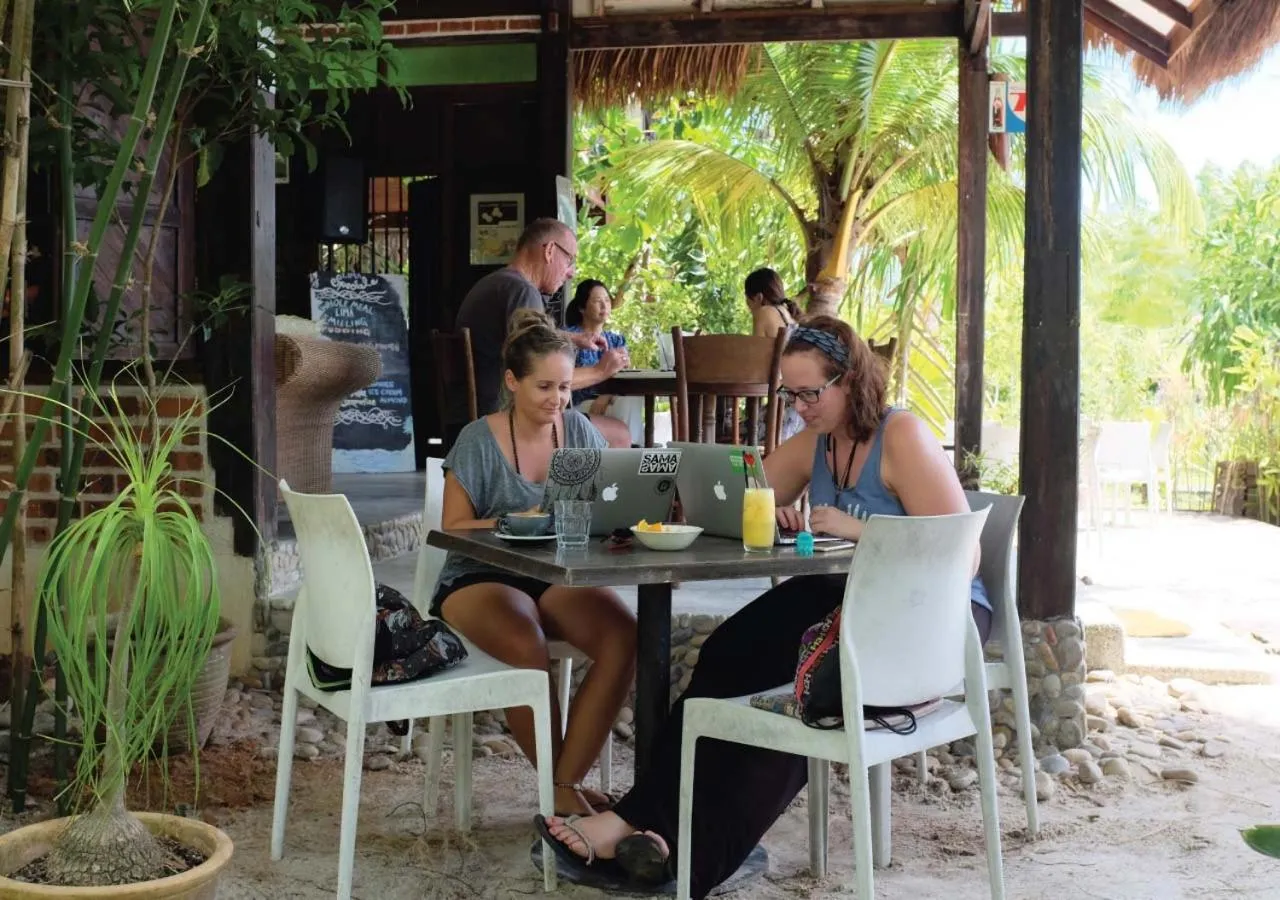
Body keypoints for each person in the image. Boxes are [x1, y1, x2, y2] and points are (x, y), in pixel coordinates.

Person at [536, 316, 992, 897]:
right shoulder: (821, 441)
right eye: (790, 393)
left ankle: (683, 858)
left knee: (790, 721)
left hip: (927, 617)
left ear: (850, 381)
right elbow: (746, 492)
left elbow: (965, 556)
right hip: (847, 600)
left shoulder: (901, 436)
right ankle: (644, 826)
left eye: (810, 393)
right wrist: (756, 508)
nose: (800, 407)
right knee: (728, 654)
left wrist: (857, 528)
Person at [433, 309, 637, 818]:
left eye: (565, 387)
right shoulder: (480, 439)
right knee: (527, 643)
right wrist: (516, 519)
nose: (557, 399)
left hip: (556, 573)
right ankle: (561, 790)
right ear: (512, 381)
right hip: (479, 573)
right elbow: (454, 524)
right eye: (544, 386)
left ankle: (562, 784)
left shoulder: (579, 432)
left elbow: (601, 507)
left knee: (625, 637)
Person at [455, 218, 628, 418]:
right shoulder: (523, 291)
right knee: (619, 433)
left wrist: (574, 338)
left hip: (476, 411)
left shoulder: (498, 283)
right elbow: (545, 376)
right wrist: (600, 370)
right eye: (569, 260)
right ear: (549, 251)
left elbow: (526, 337)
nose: (571, 273)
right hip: (505, 419)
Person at [564, 279, 645, 447]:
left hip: (607, 402)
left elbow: (624, 375)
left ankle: (629, 449)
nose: (604, 306)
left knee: (631, 398)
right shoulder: (570, 337)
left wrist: (605, 396)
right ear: (582, 307)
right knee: (626, 403)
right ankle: (630, 450)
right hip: (579, 405)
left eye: (607, 300)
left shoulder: (616, 340)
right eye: (597, 301)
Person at [744, 267, 805, 444]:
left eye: (747, 299)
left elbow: (755, 366)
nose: (748, 306)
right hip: (800, 410)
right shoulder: (789, 315)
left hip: (779, 415)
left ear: (759, 297)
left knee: (729, 431)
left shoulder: (763, 313)